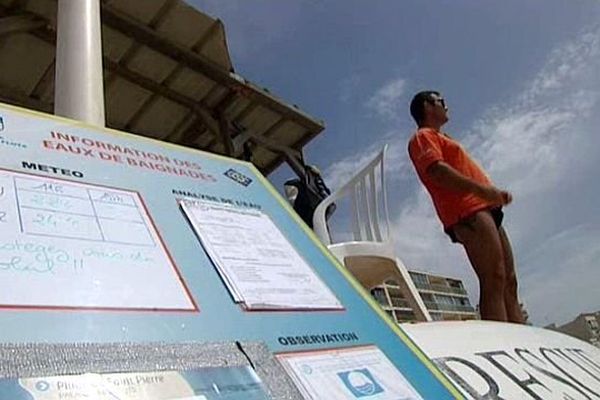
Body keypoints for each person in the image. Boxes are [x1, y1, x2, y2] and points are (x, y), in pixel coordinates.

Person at [407, 90, 524, 323]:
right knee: (493, 277)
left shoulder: (443, 137)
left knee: (509, 280)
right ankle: (502, 340)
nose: (446, 106)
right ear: (427, 106)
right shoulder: (422, 137)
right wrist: (482, 191)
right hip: (467, 210)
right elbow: (436, 171)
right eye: (441, 101)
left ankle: (524, 337)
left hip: (485, 208)